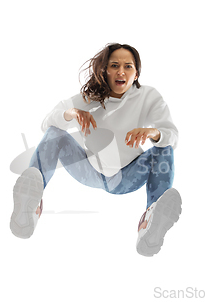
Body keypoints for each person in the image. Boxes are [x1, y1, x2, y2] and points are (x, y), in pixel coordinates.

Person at [10, 43, 182, 256]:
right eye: (114, 65)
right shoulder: (88, 98)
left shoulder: (149, 96)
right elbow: (47, 124)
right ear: (105, 70)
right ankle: (32, 204)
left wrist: (152, 133)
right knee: (55, 133)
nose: (121, 71)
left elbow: (171, 135)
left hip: (126, 176)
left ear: (136, 73)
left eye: (128, 66)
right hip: (89, 169)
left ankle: (151, 220)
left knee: (163, 149)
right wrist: (71, 113)